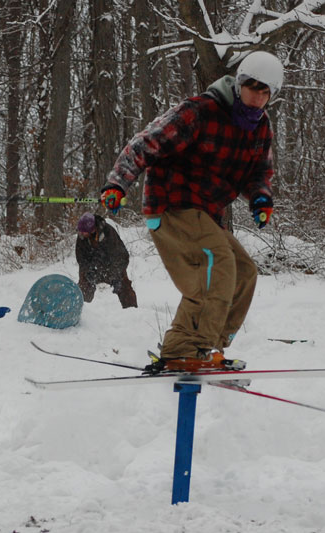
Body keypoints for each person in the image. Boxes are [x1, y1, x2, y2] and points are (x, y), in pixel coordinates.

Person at [100, 51, 282, 372]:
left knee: (243, 272)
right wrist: (118, 184)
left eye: (265, 91)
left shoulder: (260, 127)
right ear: (239, 85)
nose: (257, 97)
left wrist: (260, 200)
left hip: (206, 214)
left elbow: (259, 173)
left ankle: (209, 345)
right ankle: (187, 347)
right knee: (217, 263)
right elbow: (145, 143)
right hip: (172, 204)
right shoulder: (200, 111)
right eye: (252, 87)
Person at [75, 212, 137, 309]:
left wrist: (115, 275)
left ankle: (133, 311)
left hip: (113, 265)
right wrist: (88, 271)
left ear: (92, 229)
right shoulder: (82, 236)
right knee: (83, 286)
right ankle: (79, 310)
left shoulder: (108, 232)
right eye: (80, 232)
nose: (81, 234)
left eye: (83, 232)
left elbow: (119, 256)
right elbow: (81, 257)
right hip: (92, 266)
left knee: (124, 286)